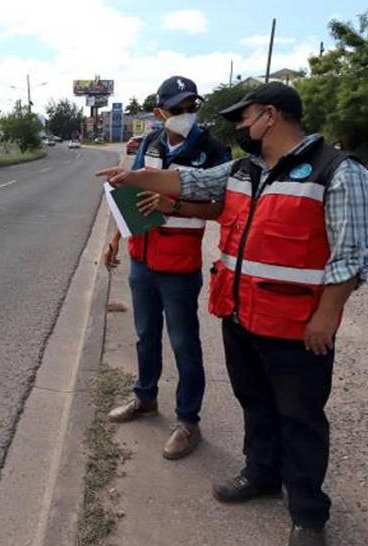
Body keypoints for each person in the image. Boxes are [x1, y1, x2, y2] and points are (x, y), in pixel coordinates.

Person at [95, 82, 368, 546]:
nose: (240, 128)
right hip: (242, 314)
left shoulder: (339, 173)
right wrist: (136, 178)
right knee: (256, 402)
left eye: (245, 119)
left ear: (271, 116)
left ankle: (308, 514)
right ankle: (262, 474)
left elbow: (352, 257)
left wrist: (327, 316)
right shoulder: (244, 170)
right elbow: (191, 185)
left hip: (298, 326)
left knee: (301, 418)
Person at [103, 76, 231, 461]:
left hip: (178, 262)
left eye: (192, 107)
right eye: (177, 109)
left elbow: (222, 208)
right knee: (145, 334)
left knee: (183, 342)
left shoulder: (213, 151)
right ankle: (145, 398)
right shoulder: (150, 143)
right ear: (161, 113)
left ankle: (188, 421)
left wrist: (172, 205)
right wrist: (114, 239)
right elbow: (128, 190)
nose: (186, 115)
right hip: (142, 256)